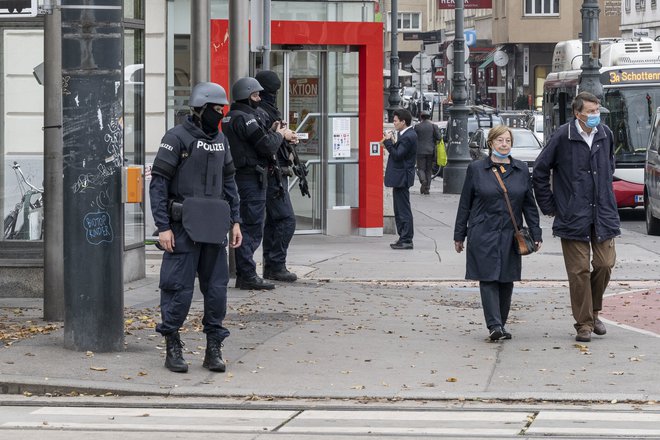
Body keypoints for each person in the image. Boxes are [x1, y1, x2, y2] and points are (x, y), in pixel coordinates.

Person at [150, 82, 243, 373]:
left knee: (217, 291)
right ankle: (172, 344)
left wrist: (236, 221)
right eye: (216, 109)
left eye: (222, 109)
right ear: (200, 109)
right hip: (181, 228)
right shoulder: (176, 137)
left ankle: (213, 348)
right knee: (177, 289)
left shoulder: (222, 140)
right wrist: (162, 227)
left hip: (214, 227)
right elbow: (159, 184)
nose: (220, 114)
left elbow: (229, 183)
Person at [532, 91, 620, 343]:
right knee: (579, 270)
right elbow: (539, 171)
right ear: (577, 113)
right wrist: (550, 205)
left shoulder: (606, 134)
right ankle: (584, 323)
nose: (595, 115)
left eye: (597, 111)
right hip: (573, 214)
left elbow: (608, 167)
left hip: (603, 212)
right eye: (591, 111)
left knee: (604, 264)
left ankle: (592, 311)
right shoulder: (563, 135)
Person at [454, 125, 542, 341]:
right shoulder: (476, 169)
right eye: (500, 141)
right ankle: (494, 325)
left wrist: (536, 233)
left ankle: (500, 324)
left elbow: (529, 205)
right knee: (488, 278)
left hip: (510, 234)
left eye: (508, 141)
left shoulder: (521, 170)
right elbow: (465, 203)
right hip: (482, 231)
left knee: (506, 279)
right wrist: (459, 234)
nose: (504, 145)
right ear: (490, 143)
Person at [221, 76, 292, 290]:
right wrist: (279, 135)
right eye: (255, 95)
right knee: (251, 227)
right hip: (250, 179)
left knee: (247, 225)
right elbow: (266, 146)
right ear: (245, 95)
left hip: (243, 177)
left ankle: (247, 272)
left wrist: (271, 131)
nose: (259, 98)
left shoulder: (232, 117)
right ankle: (247, 274)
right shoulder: (246, 118)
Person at [254, 70, 299, 282]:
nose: (275, 94)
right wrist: (281, 135)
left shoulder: (267, 109)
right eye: (273, 90)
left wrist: (286, 138)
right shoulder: (261, 111)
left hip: (275, 171)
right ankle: (275, 264)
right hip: (271, 173)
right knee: (285, 219)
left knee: (275, 221)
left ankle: (273, 265)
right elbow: (265, 143)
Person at [383, 109, 417, 250]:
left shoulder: (409, 136)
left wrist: (387, 142)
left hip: (402, 177)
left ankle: (406, 239)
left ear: (403, 122)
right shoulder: (405, 135)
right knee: (399, 208)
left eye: (396, 121)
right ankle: (403, 237)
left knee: (403, 210)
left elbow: (398, 154)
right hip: (400, 178)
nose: (394, 123)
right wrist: (392, 140)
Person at [413, 110, 442, 194]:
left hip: (420, 151)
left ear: (421, 117)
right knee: (429, 170)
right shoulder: (434, 126)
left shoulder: (417, 126)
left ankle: (423, 180)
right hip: (430, 151)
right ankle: (427, 189)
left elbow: (414, 138)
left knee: (420, 168)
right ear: (429, 117)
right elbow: (439, 138)